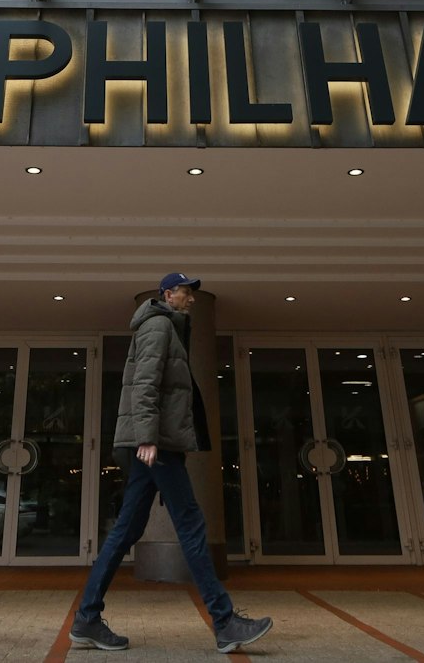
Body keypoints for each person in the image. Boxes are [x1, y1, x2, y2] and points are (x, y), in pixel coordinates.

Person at [70, 273, 273, 654]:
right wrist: (147, 436)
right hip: (154, 445)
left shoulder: (165, 327)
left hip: (151, 444)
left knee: (126, 531)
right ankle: (225, 622)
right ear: (168, 294)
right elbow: (145, 384)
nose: (191, 299)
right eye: (186, 293)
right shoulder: (159, 326)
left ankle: (86, 619)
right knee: (192, 526)